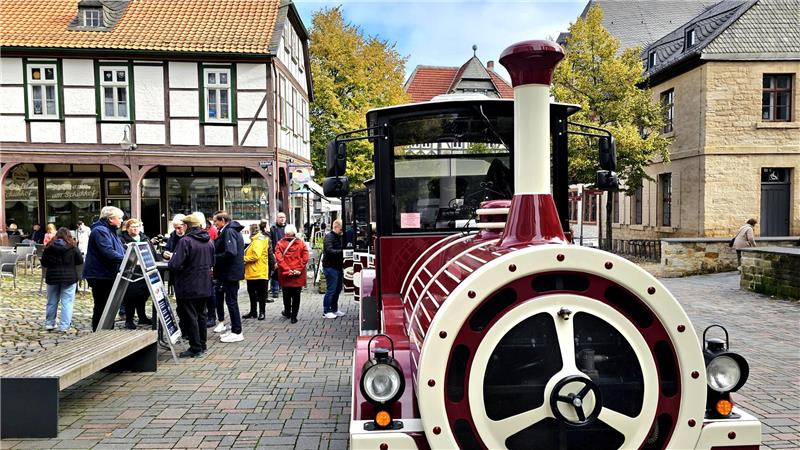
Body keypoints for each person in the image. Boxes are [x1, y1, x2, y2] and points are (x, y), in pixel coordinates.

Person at [168, 212, 215, 358]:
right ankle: (202, 344)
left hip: (188, 284)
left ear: (187, 226)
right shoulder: (209, 240)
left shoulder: (186, 241)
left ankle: (195, 347)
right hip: (204, 283)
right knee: (201, 314)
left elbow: (174, 264)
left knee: (190, 316)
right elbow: (213, 262)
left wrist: (171, 260)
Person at [83, 206, 126, 331]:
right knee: (102, 306)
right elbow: (107, 252)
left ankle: (107, 331)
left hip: (107, 274)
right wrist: (127, 259)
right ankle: (100, 333)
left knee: (109, 305)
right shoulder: (101, 231)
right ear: (111, 219)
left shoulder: (110, 230)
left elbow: (119, 249)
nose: (122, 220)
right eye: (120, 218)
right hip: (100, 275)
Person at [40, 227, 83, 332]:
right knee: (67, 302)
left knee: (51, 301)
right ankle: (64, 326)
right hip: (69, 278)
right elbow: (80, 261)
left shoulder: (49, 247)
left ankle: (50, 323)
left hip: (52, 277)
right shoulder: (73, 247)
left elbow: (44, 262)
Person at [212, 210, 245, 343]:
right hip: (231, 272)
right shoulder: (231, 231)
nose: (215, 224)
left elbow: (230, 252)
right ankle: (234, 329)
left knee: (231, 302)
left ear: (223, 221)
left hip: (230, 273)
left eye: (216, 222)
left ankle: (237, 331)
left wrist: (214, 258)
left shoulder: (229, 231)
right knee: (231, 301)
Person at [118, 218, 156, 329]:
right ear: (127, 228)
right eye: (132, 227)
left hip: (144, 271)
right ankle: (129, 320)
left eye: (137, 226)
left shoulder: (145, 238)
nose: (135, 229)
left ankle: (142, 317)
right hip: (131, 272)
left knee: (143, 296)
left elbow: (152, 252)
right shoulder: (122, 239)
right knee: (130, 297)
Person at [274, 224, 309, 324]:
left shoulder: (280, 244)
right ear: (294, 232)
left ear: (285, 232)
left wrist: (287, 269)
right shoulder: (301, 243)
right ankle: (294, 316)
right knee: (296, 296)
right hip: (298, 274)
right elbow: (305, 258)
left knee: (286, 294)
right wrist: (298, 269)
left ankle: (287, 312)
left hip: (285, 274)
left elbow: (279, 259)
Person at [243, 221, 276, 320]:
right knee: (257, 293)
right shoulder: (258, 239)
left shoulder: (258, 240)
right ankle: (255, 312)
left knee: (259, 294)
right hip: (257, 271)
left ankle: (260, 312)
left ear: (252, 231)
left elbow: (255, 256)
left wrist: (243, 258)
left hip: (257, 271)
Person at [322, 219, 345, 319]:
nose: (342, 230)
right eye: (341, 229)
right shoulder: (329, 237)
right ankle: (326, 311)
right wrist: (343, 252)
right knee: (331, 289)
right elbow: (329, 250)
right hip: (330, 266)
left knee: (338, 288)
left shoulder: (339, 237)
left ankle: (334, 309)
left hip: (338, 266)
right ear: (335, 227)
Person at [269, 212, 287, 299]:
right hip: (276, 253)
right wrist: (272, 253)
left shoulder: (288, 228)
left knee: (283, 270)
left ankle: (282, 288)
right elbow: (271, 242)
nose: (282, 219)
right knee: (275, 270)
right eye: (280, 217)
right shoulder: (273, 228)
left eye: (283, 217)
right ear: (277, 218)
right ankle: (275, 290)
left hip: (286, 253)